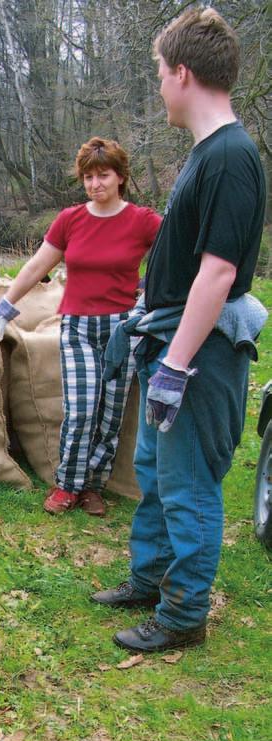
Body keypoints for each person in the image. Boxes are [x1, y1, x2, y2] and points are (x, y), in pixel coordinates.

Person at [92, 8, 267, 652]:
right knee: (156, 472)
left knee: (188, 481)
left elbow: (218, 274)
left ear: (184, 73)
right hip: (171, 339)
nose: (160, 85)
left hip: (199, 353)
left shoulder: (231, 158)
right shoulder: (207, 153)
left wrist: (175, 367)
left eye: (162, 73)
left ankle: (184, 615)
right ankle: (151, 578)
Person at [0, 137, 161, 517]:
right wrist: (4, 307)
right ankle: (67, 485)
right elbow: (35, 267)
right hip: (77, 327)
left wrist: (149, 299)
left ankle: (94, 487)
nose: (96, 184)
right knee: (80, 410)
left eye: (103, 176)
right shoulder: (71, 220)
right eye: (88, 177)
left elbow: (172, 261)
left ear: (121, 177)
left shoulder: (143, 221)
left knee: (110, 415)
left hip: (122, 329)